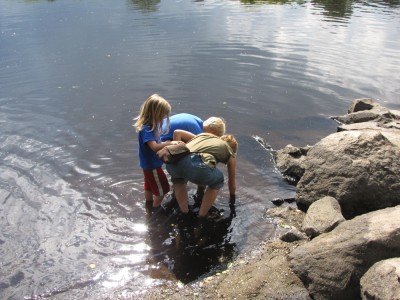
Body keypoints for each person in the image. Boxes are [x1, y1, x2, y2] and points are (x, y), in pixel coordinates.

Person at [165, 130, 237, 221]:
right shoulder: (230, 152)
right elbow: (232, 183)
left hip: (173, 162)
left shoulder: (204, 135)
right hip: (196, 168)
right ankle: (202, 216)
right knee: (219, 180)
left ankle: (184, 212)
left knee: (178, 180)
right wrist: (232, 199)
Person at [161, 114, 227, 203]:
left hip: (159, 129)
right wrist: (176, 154)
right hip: (162, 140)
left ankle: (177, 190)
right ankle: (193, 191)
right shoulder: (199, 134)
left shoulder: (199, 122)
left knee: (182, 165)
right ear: (212, 131)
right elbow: (201, 160)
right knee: (186, 165)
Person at [134, 94, 180, 210]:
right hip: (152, 165)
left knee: (149, 186)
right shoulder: (147, 129)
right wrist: (169, 143)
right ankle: (155, 210)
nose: (164, 118)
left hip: (147, 164)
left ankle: (148, 205)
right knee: (163, 189)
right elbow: (154, 147)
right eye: (163, 115)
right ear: (156, 114)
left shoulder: (149, 127)